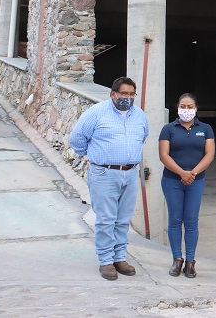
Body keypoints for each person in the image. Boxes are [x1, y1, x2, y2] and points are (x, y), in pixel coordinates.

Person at [69, 77, 149, 281]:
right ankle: (105, 260)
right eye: (124, 94)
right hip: (104, 173)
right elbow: (77, 139)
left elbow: (143, 137)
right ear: (113, 94)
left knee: (123, 219)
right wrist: (96, 157)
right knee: (106, 219)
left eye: (132, 94)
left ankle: (119, 257)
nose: (128, 98)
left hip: (130, 173)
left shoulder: (139, 115)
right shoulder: (96, 113)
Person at [158, 93, 215, 278]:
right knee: (175, 220)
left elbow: (209, 154)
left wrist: (193, 173)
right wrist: (182, 173)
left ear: (196, 108)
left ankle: (190, 261)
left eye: (190, 107)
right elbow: (164, 155)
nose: (186, 110)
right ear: (177, 107)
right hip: (172, 180)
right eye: (183, 106)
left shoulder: (205, 129)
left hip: (195, 181)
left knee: (191, 221)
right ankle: (177, 259)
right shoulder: (168, 129)